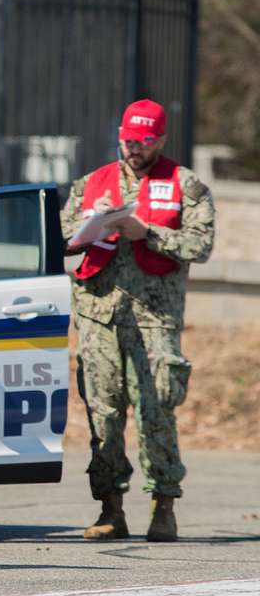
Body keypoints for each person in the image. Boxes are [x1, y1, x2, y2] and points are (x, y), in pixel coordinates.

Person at [61, 99, 215, 542]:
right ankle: (111, 508)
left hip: (154, 317)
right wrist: (92, 223)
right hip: (99, 314)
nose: (134, 148)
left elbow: (200, 244)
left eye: (144, 141)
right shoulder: (93, 183)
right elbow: (61, 235)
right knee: (103, 412)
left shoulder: (185, 185)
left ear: (161, 140)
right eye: (128, 140)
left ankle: (163, 505)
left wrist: (148, 232)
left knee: (156, 413)